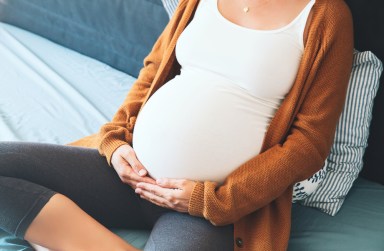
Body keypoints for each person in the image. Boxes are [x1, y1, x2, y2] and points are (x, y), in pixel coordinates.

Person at [0, 0, 353, 250]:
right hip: (130, 175)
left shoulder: (325, 15)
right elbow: (154, 71)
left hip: (207, 207)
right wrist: (116, 142)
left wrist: (210, 201)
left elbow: (309, 145)